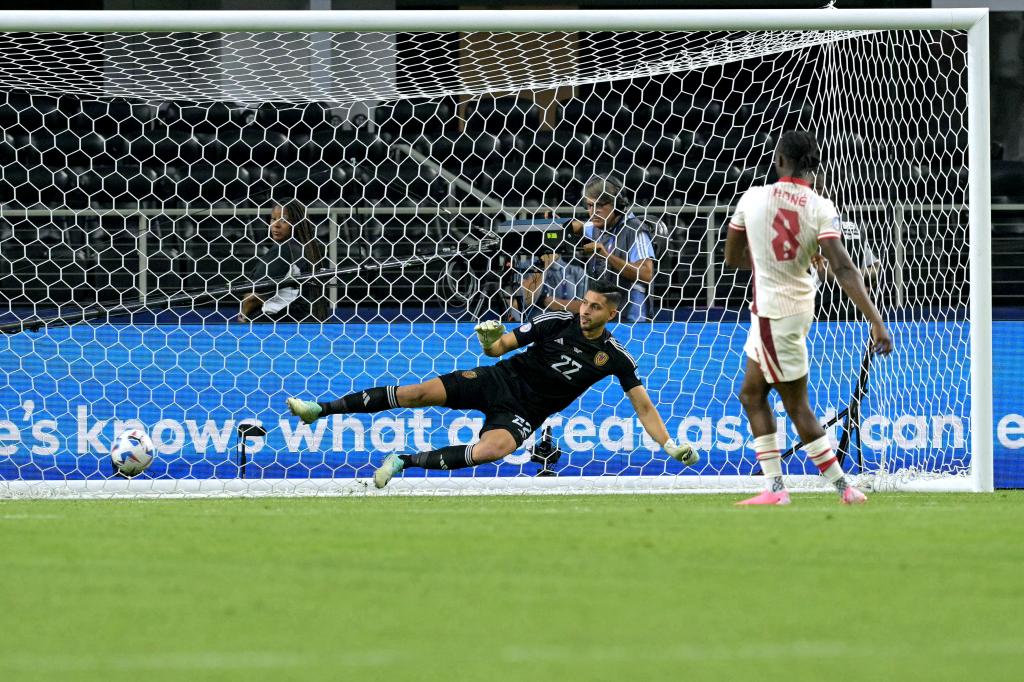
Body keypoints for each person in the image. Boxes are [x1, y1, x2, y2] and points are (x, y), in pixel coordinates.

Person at [285, 279, 699, 488]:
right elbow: (499, 348)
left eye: (594, 307)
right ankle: (319, 409)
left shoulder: (617, 357)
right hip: (497, 379)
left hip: (524, 412)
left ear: (611, 313)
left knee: (493, 450)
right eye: (584, 303)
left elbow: (643, 407)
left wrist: (669, 444)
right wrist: (488, 339)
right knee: (416, 393)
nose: (585, 310)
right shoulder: (556, 321)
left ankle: (403, 462)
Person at [724, 130, 893, 506]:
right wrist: (875, 319)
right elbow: (845, 268)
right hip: (795, 309)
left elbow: (732, 259)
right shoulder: (821, 207)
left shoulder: (752, 198)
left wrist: (766, 259)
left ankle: (842, 488)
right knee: (751, 395)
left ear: (780, 161)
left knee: (795, 404)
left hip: (773, 313)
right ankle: (777, 488)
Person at [536, 175, 655, 322]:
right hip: (604, 319)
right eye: (590, 205)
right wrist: (555, 224)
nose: (594, 211)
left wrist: (606, 256)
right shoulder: (597, 227)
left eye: (600, 205)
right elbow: (577, 226)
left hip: (633, 321)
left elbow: (646, 273)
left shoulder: (635, 230)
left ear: (617, 204)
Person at [237, 200, 329, 323]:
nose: (276, 224)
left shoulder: (285, 250)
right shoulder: (307, 248)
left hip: (276, 323)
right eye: (273, 219)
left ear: (297, 223)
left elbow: (254, 297)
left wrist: (243, 315)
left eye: (284, 220)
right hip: (304, 322)